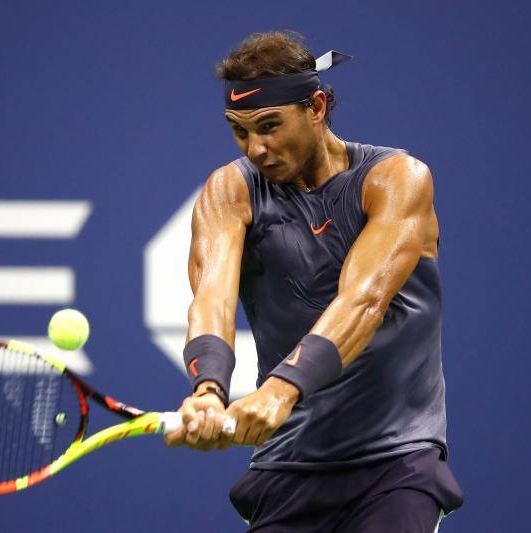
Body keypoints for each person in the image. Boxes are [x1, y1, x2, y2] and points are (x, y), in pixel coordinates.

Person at [164, 31, 464, 532]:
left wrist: (279, 391)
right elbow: (211, 297)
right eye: (239, 131)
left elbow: (363, 302)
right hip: (286, 465)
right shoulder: (229, 189)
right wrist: (209, 388)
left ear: (317, 106)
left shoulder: (395, 179)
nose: (255, 147)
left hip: (395, 462)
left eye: (269, 125)